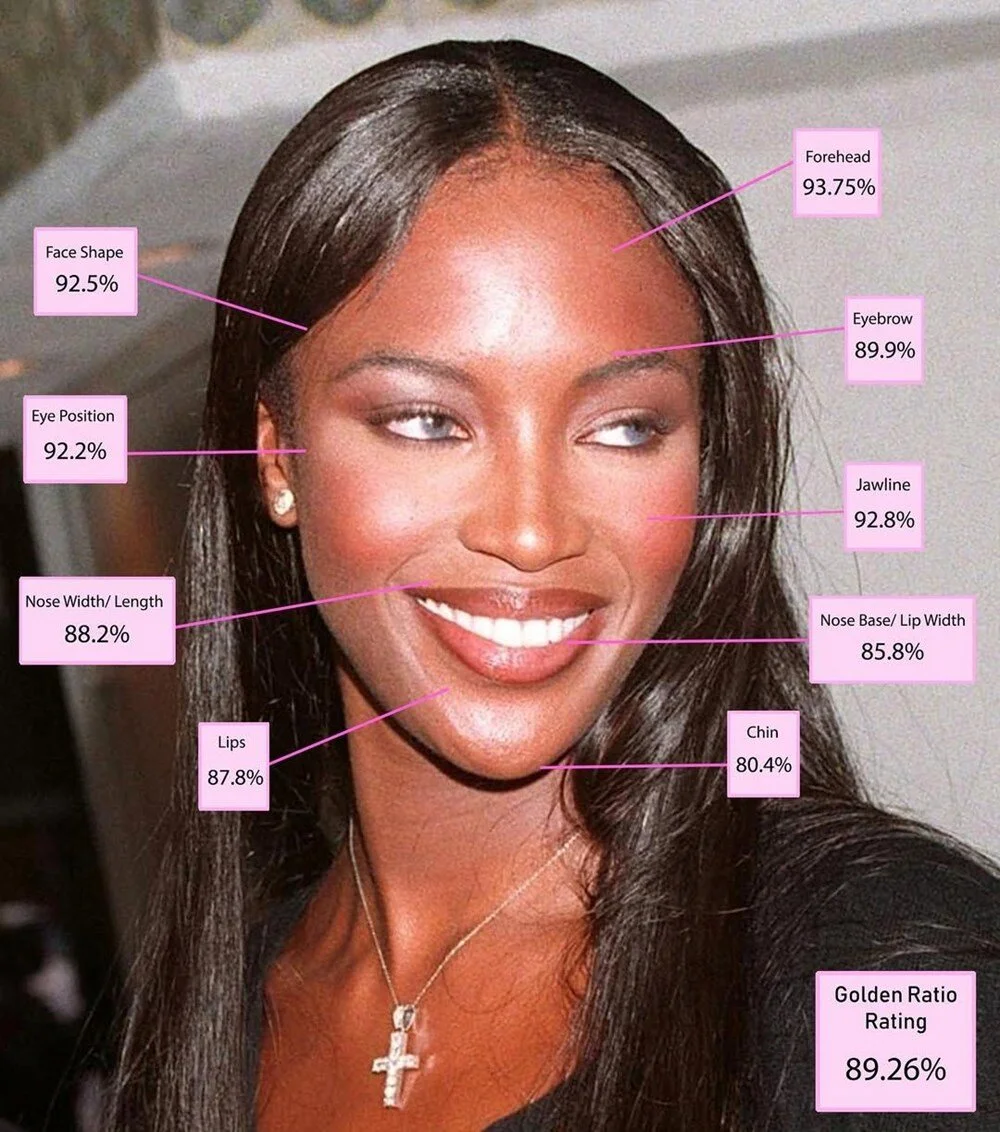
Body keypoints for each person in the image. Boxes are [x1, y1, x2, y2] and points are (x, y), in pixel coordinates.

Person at [101, 39, 1000, 1132]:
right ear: (278, 458)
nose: (531, 533)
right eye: (426, 421)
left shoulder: (882, 964)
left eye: (623, 428)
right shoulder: (209, 1013)